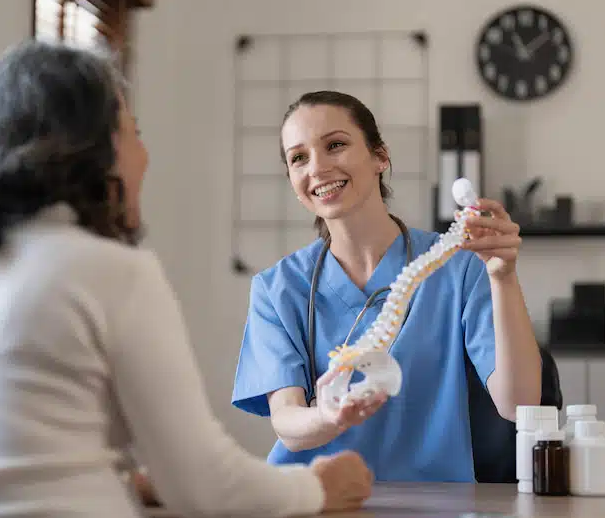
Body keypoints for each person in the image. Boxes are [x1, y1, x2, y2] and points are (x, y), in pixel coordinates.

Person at [0, 43, 373, 518]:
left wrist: (122, 477)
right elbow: (207, 488)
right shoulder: (109, 270)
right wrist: (321, 487)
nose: (144, 156)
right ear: (91, 152)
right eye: (132, 134)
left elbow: (14, 465)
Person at [230, 90, 543, 483]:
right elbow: (288, 427)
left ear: (380, 156)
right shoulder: (277, 289)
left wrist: (503, 276)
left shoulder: (459, 266)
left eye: (336, 145)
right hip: (317, 501)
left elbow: (520, 403)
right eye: (299, 158)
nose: (318, 167)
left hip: (432, 508)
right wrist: (328, 416)